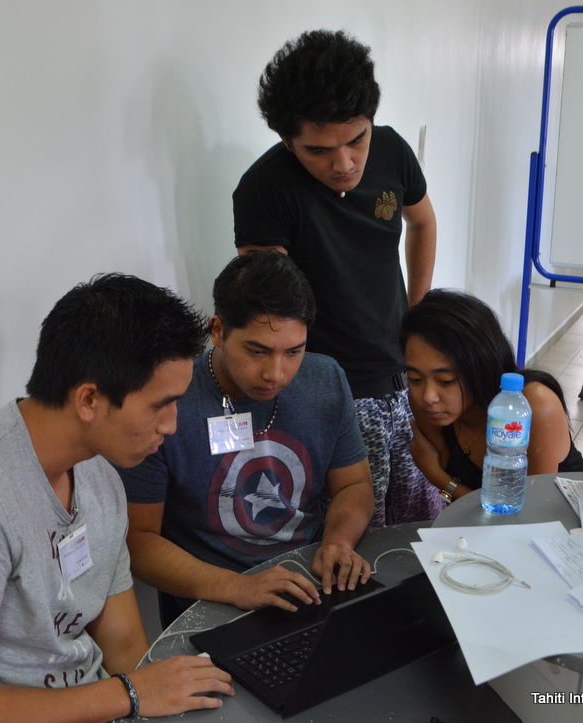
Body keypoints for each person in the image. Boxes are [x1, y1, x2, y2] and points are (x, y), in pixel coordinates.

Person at [0, 275, 235, 723]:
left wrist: (160, 700)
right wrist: (133, 695)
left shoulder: (100, 477)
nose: (171, 425)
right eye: (161, 404)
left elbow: (124, 646)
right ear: (89, 400)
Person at [233, 29, 443, 527]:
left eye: (356, 139)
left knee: (416, 522)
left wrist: (418, 315)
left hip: (399, 373)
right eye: (319, 150)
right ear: (287, 141)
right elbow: (272, 308)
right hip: (326, 387)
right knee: (349, 532)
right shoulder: (264, 189)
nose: (344, 163)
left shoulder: (392, 151)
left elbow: (423, 222)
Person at [118, 252, 374, 628]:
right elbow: (138, 540)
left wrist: (338, 541)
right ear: (217, 330)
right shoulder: (169, 400)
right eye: (257, 351)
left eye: (294, 352)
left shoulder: (326, 380)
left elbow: (354, 484)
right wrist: (237, 587)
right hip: (216, 600)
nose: (276, 373)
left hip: (314, 581)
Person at [400, 288, 583, 503]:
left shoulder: (532, 404)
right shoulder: (428, 406)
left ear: (480, 367)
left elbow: (530, 512)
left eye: (446, 381)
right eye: (415, 379)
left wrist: (438, 477)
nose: (428, 397)